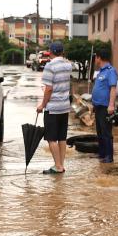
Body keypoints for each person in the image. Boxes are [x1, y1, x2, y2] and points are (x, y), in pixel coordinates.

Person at [37, 41, 72, 174]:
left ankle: (57, 166)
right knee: (62, 137)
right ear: (62, 52)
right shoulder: (68, 65)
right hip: (65, 107)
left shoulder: (50, 66)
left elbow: (49, 89)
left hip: (53, 108)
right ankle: (61, 165)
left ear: (50, 52)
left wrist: (42, 105)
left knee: (51, 138)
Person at [91, 48, 118, 163]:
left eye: (96, 57)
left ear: (99, 58)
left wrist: (111, 105)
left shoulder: (111, 71)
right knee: (100, 132)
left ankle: (109, 156)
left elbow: (113, 88)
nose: (95, 59)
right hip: (98, 106)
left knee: (106, 132)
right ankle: (102, 154)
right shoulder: (101, 71)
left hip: (105, 107)